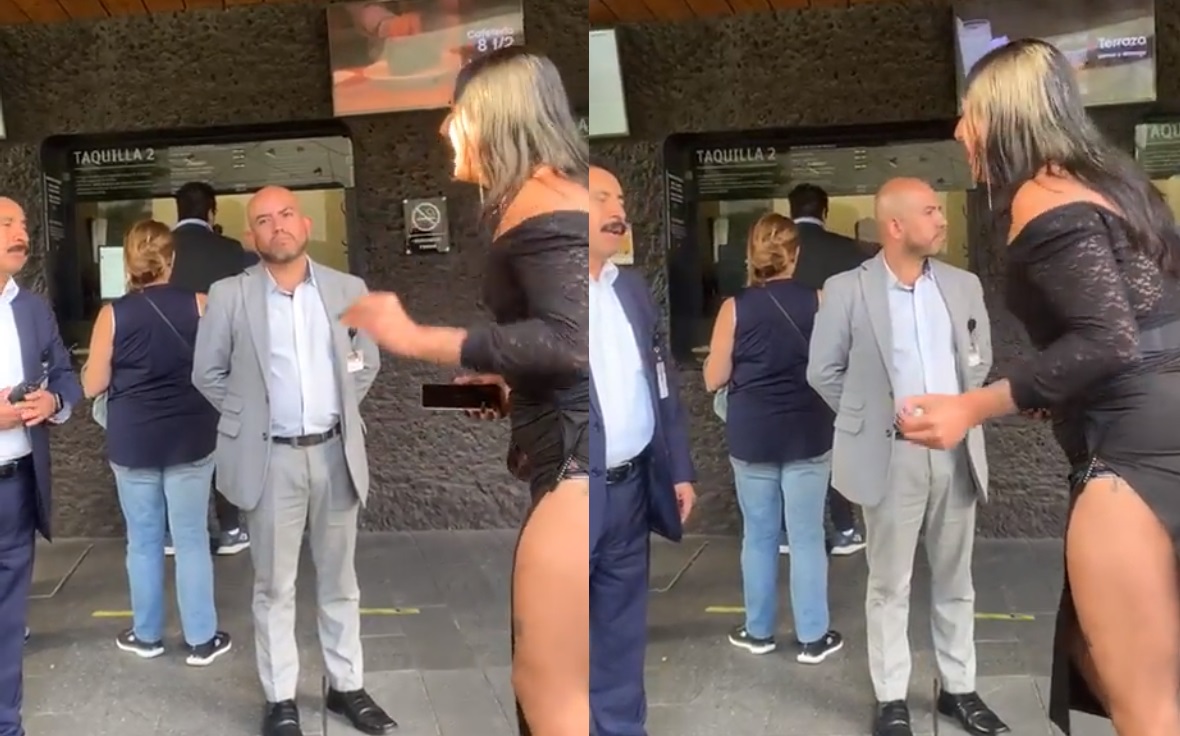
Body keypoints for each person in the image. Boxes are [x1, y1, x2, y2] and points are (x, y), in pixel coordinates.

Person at [899, 38, 1180, 736]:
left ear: (1004, 116)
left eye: (969, 113)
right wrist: (1061, 388)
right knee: (1099, 655)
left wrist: (973, 405)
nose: (959, 131)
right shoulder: (1120, 186)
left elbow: (1107, 341)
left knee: (1147, 706)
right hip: (1161, 423)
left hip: (1131, 453)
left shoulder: (1043, 196)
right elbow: (1142, 323)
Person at [341, 47, 589, 735]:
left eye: (456, 113)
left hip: (579, 465)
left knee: (547, 684)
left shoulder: (543, 200)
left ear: (494, 116)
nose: (445, 129)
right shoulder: (543, 199)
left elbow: (571, 342)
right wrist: (509, 382)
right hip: (568, 454)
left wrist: (415, 336)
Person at [808, 178, 1006, 736]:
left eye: (940, 210)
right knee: (889, 585)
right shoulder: (847, 289)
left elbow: (979, 358)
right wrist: (872, 420)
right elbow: (823, 371)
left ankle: (959, 689)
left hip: (955, 453)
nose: (942, 220)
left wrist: (958, 412)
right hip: (890, 457)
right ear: (894, 226)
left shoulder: (963, 285)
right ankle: (891, 697)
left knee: (956, 578)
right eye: (930, 211)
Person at [192, 186, 391, 736]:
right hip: (270, 459)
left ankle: (346, 686)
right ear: (250, 235)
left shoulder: (348, 289)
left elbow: (368, 361)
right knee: (274, 587)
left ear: (304, 225)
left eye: (285, 215)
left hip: (335, 453)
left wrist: (339, 409)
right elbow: (207, 372)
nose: (276, 225)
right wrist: (248, 418)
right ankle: (280, 698)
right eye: (263, 219)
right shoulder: (230, 294)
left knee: (341, 581)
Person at [80, 220, 231, 666]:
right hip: (191, 437)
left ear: (128, 262)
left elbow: (93, 385)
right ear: (172, 259)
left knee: (143, 541)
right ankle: (201, 639)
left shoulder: (112, 316)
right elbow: (221, 369)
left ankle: (146, 636)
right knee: (191, 538)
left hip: (134, 442)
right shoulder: (201, 305)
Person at [704, 212, 842, 664]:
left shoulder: (734, 308)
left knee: (759, 536)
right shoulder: (820, 301)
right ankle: (813, 637)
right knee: (806, 536)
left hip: (753, 435)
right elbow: (834, 367)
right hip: (808, 432)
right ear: (795, 255)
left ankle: (759, 631)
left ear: (752, 255)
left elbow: (713, 378)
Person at [588, 163, 695, 734]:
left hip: (632, 488)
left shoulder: (630, 288)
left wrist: (679, 468)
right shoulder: (543, 293)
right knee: (561, 632)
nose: (619, 211)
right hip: (571, 492)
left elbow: (661, 382)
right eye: (602, 198)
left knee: (622, 628)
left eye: (622, 200)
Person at [0, 196, 81, 736]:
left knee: (8, 619)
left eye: (24, 224)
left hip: (16, 488)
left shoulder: (32, 308)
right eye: (7, 224)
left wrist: (53, 401)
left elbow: (66, 374)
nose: (21, 234)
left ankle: (7, 724)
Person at [168, 181, 253, 556]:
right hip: (223, 363)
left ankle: (176, 534)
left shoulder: (160, 250)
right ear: (211, 211)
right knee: (223, 445)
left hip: (169, 364)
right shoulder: (232, 250)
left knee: (177, 449)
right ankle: (230, 530)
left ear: (177, 211)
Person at [785, 183, 867, 556]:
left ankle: (789, 533)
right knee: (835, 447)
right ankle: (845, 529)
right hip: (838, 362)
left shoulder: (777, 248)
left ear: (791, 211)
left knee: (791, 451)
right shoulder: (849, 250)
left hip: (784, 362)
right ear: (825, 210)